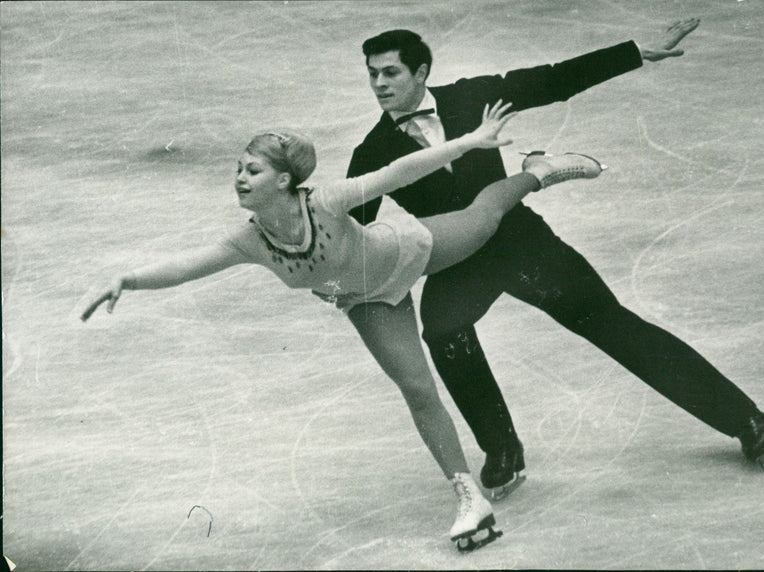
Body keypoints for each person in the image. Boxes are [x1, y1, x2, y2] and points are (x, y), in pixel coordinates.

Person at [80, 102, 606, 551]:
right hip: (365, 299)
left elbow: (397, 173)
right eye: (238, 169)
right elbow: (189, 265)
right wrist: (127, 278)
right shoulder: (249, 241)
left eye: (252, 171)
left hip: (408, 250)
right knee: (418, 389)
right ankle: (468, 497)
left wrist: (470, 141)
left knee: (486, 215)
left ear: (283, 181)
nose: (239, 178)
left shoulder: (326, 203)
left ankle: (538, 170)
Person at [345, 23, 764, 500]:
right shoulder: (372, 153)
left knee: (611, 324)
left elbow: (553, 80)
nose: (379, 85)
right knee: (444, 332)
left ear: (421, 72)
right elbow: (350, 235)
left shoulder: (471, 97)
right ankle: (502, 450)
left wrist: (634, 52)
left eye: (390, 72)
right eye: (372, 75)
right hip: (458, 261)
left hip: (520, 241)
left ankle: (748, 421)